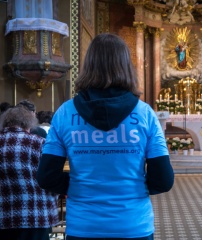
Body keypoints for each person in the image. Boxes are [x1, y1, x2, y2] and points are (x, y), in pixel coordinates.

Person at [36, 33, 174, 240]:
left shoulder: (65, 113)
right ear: (126, 66)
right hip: (133, 224)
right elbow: (163, 180)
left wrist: (79, 184)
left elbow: (46, 177)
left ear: (88, 65)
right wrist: (131, 185)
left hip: (83, 226)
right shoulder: (145, 114)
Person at [0, 106, 59, 240]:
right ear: (29, 123)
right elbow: (51, 177)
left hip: (3, 217)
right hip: (36, 216)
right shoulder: (39, 143)